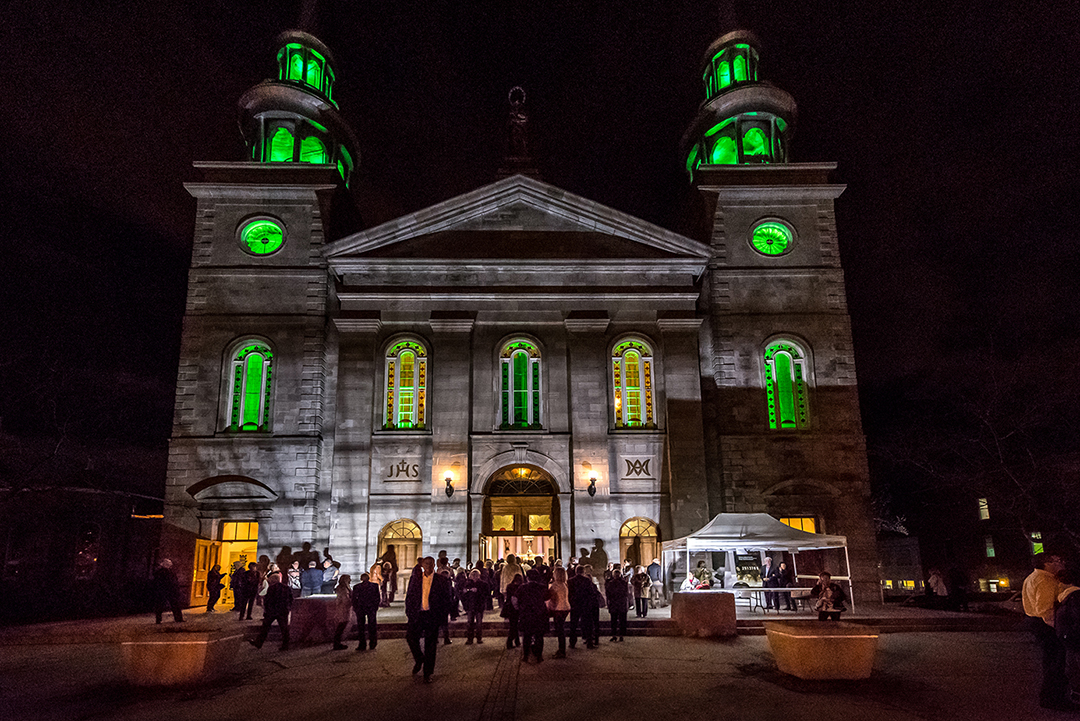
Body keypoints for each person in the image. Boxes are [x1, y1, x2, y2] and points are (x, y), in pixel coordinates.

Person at [1023, 552, 1073, 711]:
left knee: (1051, 661)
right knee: (1055, 663)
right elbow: (1045, 610)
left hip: (1036, 622)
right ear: (1047, 563)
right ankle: (1054, 699)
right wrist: (1059, 629)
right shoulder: (1044, 580)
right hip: (1046, 625)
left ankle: (1051, 697)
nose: (1061, 563)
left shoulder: (1034, 577)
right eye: (1057, 560)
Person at [405, 557, 453, 683]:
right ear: (422, 565)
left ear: (434, 565)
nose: (428, 566)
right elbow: (409, 596)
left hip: (432, 615)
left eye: (430, 564)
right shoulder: (416, 579)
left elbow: (447, 598)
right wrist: (409, 612)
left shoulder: (441, 580)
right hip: (418, 614)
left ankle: (428, 672)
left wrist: (442, 615)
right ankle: (419, 658)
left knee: (430, 645)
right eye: (426, 564)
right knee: (410, 637)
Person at [516, 570, 551, 663]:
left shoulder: (522, 588)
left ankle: (526, 655)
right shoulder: (542, 587)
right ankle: (539, 656)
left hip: (527, 613)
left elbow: (516, 599)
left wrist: (519, 608)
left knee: (527, 636)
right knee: (539, 636)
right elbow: (547, 598)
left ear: (527, 578)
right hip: (540, 613)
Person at [1056, 570, 1080, 705]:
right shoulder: (1069, 597)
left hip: (1073, 639)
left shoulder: (1073, 597)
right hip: (1071, 639)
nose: (1058, 585)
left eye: (1060, 582)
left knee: (1074, 667)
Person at [250, 571, 291, 651]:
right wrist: (288, 608)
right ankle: (285, 645)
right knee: (284, 629)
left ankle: (259, 643)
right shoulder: (286, 588)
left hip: (272, 611)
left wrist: (266, 610)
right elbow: (290, 598)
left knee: (265, 628)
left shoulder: (272, 588)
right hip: (282, 611)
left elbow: (268, 600)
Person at [352, 572, 382, 651]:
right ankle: (370, 643)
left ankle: (365, 644)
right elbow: (377, 598)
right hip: (365, 608)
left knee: (365, 627)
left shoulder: (357, 587)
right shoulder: (373, 586)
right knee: (367, 627)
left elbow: (377, 598)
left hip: (366, 608)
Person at [568, 564, 595, 649]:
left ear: (576, 572)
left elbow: (569, 594)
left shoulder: (570, 581)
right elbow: (591, 593)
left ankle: (572, 642)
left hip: (575, 605)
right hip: (585, 604)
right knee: (588, 624)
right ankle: (589, 642)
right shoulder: (587, 580)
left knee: (573, 625)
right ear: (583, 572)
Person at [548, 565, 571, 658]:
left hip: (558, 609)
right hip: (565, 608)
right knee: (561, 629)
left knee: (560, 630)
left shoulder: (555, 585)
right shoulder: (564, 585)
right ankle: (561, 649)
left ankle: (561, 650)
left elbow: (551, 597)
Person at [462, 568, 490, 644]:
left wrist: (478, 591)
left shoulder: (483, 584)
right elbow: (463, 595)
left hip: (479, 606)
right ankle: (470, 639)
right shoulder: (467, 584)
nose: (474, 576)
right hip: (470, 606)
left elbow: (487, 594)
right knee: (470, 623)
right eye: (473, 575)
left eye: (476, 575)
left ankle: (479, 638)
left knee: (479, 623)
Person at [152, 559, 184, 624]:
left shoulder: (160, 572)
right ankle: (178, 618)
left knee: (161, 605)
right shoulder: (167, 572)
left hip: (164, 590)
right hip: (168, 590)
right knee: (174, 604)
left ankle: (159, 619)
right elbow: (173, 581)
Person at [606, 568, 629, 642]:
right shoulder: (623, 583)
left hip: (614, 603)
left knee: (614, 620)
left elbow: (608, 594)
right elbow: (626, 593)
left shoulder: (610, 583)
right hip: (621, 603)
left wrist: (609, 603)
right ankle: (620, 635)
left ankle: (614, 635)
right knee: (621, 620)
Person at [502, 572, 524, 649]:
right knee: (514, 626)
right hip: (515, 608)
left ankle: (516, 641)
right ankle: (510, 642)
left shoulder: (510, 586)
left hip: (510, 608)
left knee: (513, 625)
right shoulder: (520, 587)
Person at [331, 574, 353, 650]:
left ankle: (337, 642)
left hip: (343, 609)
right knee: (341, 626)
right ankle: (337, 643)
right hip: (343, 609)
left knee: (341, 626)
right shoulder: (343, 589)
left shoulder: (342, 588)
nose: (350, 580)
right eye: (349, 579)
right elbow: (345, 600)